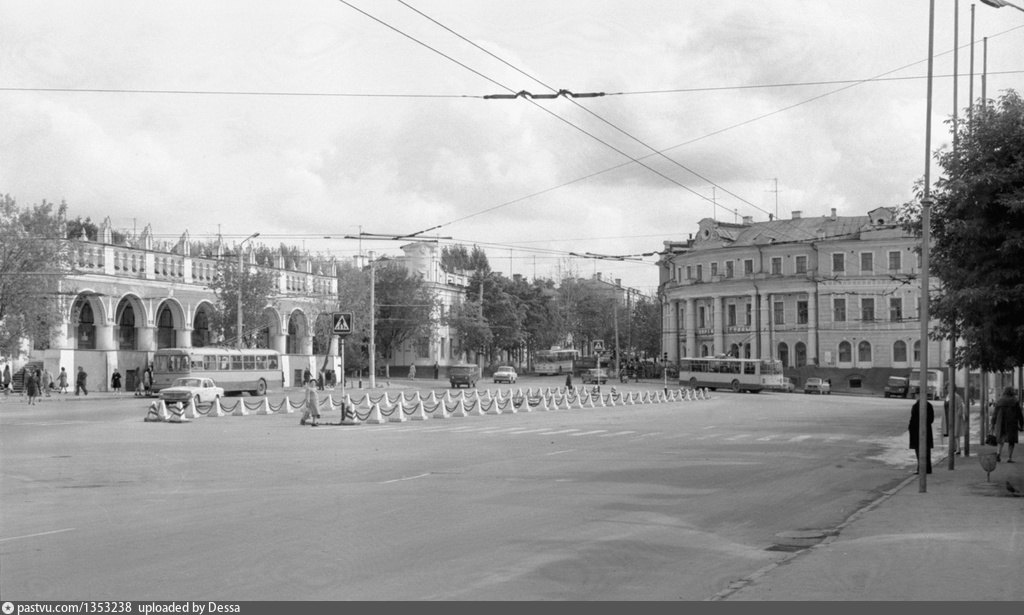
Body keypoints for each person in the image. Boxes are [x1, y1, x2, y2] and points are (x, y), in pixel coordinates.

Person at [991, 387, 1024, 463]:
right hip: (1011, 422)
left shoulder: (1000, 401)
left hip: (1001, 422)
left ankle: (998, 454)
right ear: (1012, 392)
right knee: (1011, 441)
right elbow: (1019, 414)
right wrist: (1021, 424)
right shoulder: (1015, 401)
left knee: (1000, 439)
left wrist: (993, 423)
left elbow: (995, 413)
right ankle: (1009, 458)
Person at [908, 398, 935, 474]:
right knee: (926, 450)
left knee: (919, 450)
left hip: (916, 431)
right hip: (927, 430)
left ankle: (921, 469)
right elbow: (931, 419)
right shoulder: (929, 405)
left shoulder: (916, 406)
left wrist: (911, 427)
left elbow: (913, 418)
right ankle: (927, 468)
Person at [943, 389, 966, 455]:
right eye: (947, 387)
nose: (948, 388)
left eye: (949, 387)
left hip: (955, 417)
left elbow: (960, 407)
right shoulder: (948, 396)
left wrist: (958, 415)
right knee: (951, 433)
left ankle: (958, 448)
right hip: (948, 416)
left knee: (956, 434)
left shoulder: (956, 396)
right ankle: (954, 447)